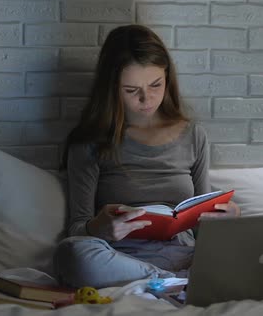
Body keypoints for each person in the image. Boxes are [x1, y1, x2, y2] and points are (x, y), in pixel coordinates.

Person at [53, 24, 240, 289]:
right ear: (112, 88)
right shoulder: (89, 142)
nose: (146, 98)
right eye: (131, 90)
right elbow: (77, 228)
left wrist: (225, 221)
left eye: (156, 85)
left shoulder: (192, 135)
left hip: (184, 254)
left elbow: (201, 224)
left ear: (168, 78)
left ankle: (178, 279)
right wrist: (98, 227)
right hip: (120, 258)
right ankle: (170, 282)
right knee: (71, 253)